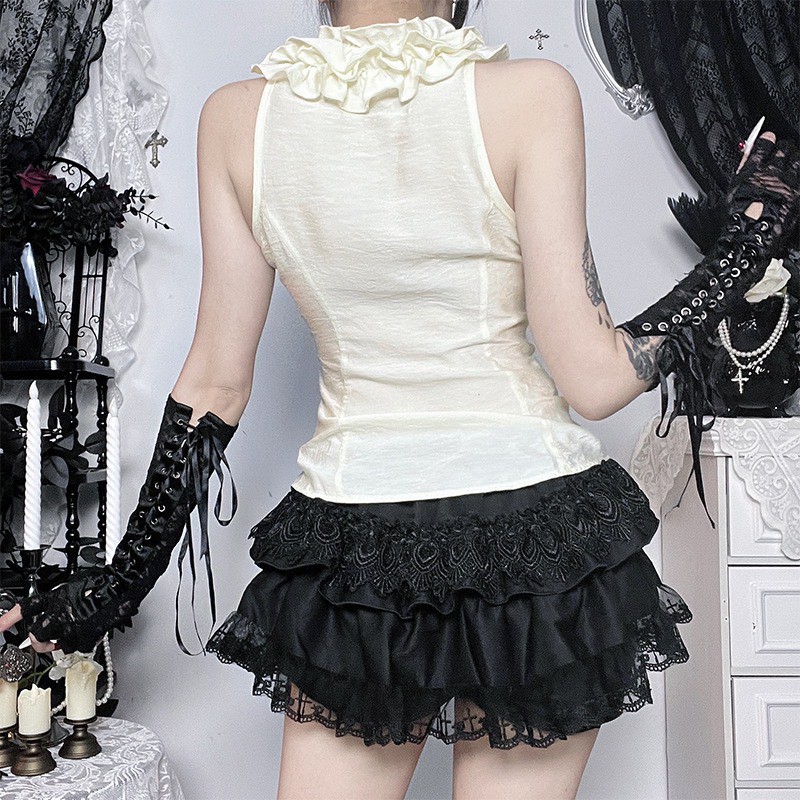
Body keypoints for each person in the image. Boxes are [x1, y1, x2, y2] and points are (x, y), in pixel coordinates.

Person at [2, 1, 798, 798]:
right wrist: (742, 249)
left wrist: (111, 591)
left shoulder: (238, 119)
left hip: (354, 555)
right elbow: (596, 380)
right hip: (538, 544)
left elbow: (213, 383)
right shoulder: (531, 94)